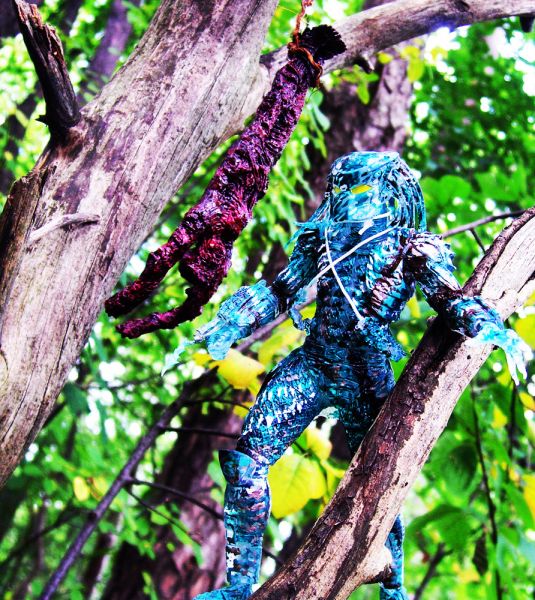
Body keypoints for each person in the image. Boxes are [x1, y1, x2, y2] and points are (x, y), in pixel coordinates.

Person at [194, 151, 528, 600]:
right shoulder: (323, 239)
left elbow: (448, 299)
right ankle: (239, 586)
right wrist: (232, 322)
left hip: (365, 376)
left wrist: (495, 331)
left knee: (379, 478)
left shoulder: (411, 247)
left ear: (386, 190)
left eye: (359, 187)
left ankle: (394, 584)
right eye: (341, 187)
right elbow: (280, 289)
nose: (347, 196)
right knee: (246, 462)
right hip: (313, 364)